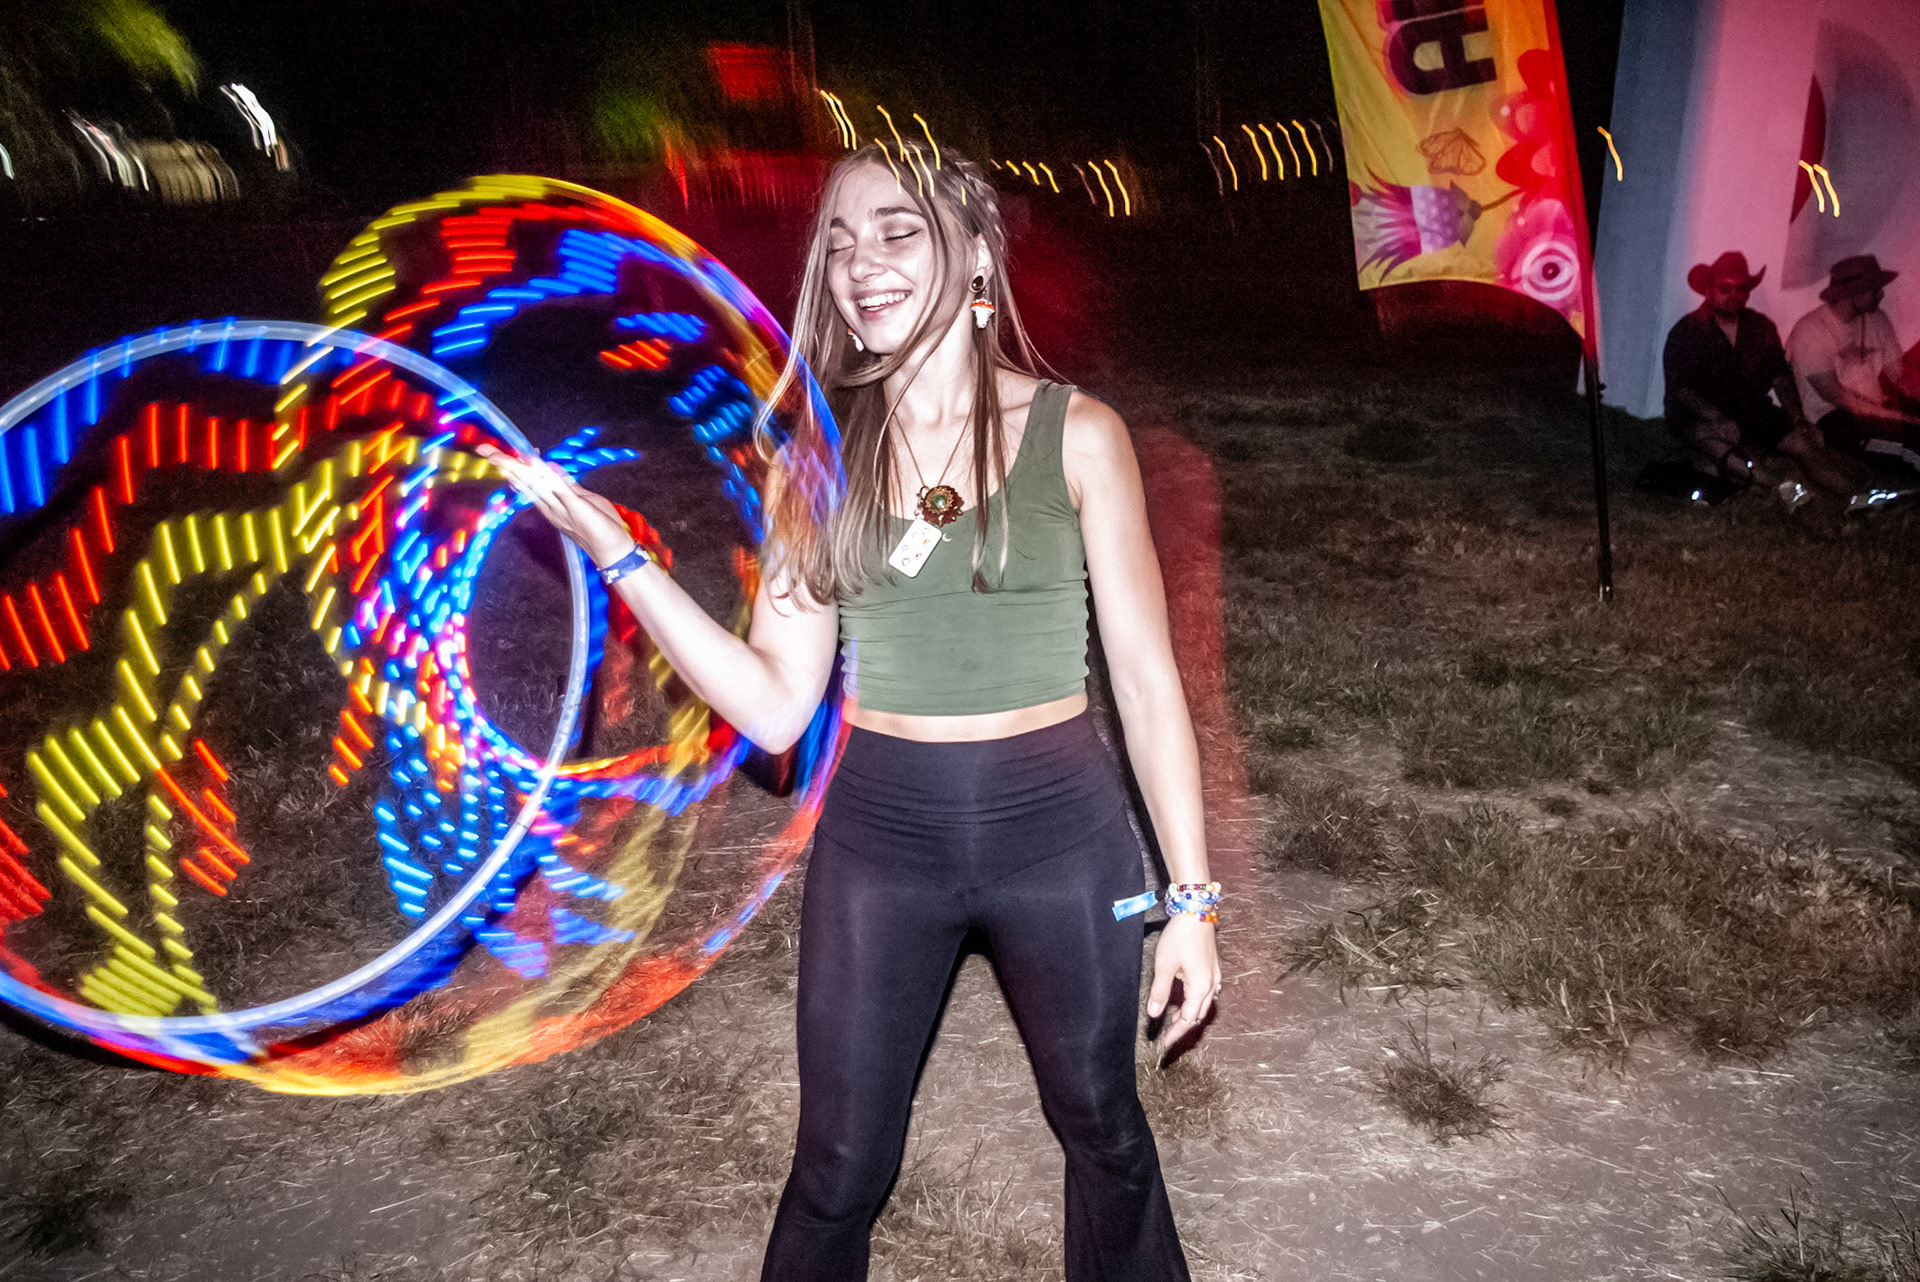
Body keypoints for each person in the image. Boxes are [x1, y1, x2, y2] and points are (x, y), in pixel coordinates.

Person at [481, 142, 1216, 1281]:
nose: (859, 263)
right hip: (883, 841)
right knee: (835, 1167)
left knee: (1105, 1130)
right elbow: (777, 708)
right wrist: (622, 557)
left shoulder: (1078, 435)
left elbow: (1148, 684)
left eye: (896, 232)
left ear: (978, 255)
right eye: (838, 243)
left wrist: (1192, 902)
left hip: (1059, 833)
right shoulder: (815, 462)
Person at [1661, 251, 1855, 502]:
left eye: (1741, 288)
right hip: (1700, 415)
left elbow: (1780, 378)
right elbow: (1681, 389)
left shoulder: (1761, 327)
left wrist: (1797, 418)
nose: (1734, 295)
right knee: (1711, 440)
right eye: (1725, 288)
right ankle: (1787, 492)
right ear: (1709, 290)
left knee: (1803, 444)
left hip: (1752, 410)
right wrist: (1716, 417)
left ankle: (1859, 498)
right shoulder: (1687, 331)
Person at [1788, 253, 1920, 480]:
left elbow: (1899, 374)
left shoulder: (1877, 319)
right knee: (1911, 444)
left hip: (1876, 410)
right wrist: (1898, 418)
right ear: (1854, 293)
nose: (1881, 294)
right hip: (1834, 419)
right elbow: (1836, 395)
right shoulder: (1810, 331)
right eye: (1875, 289)